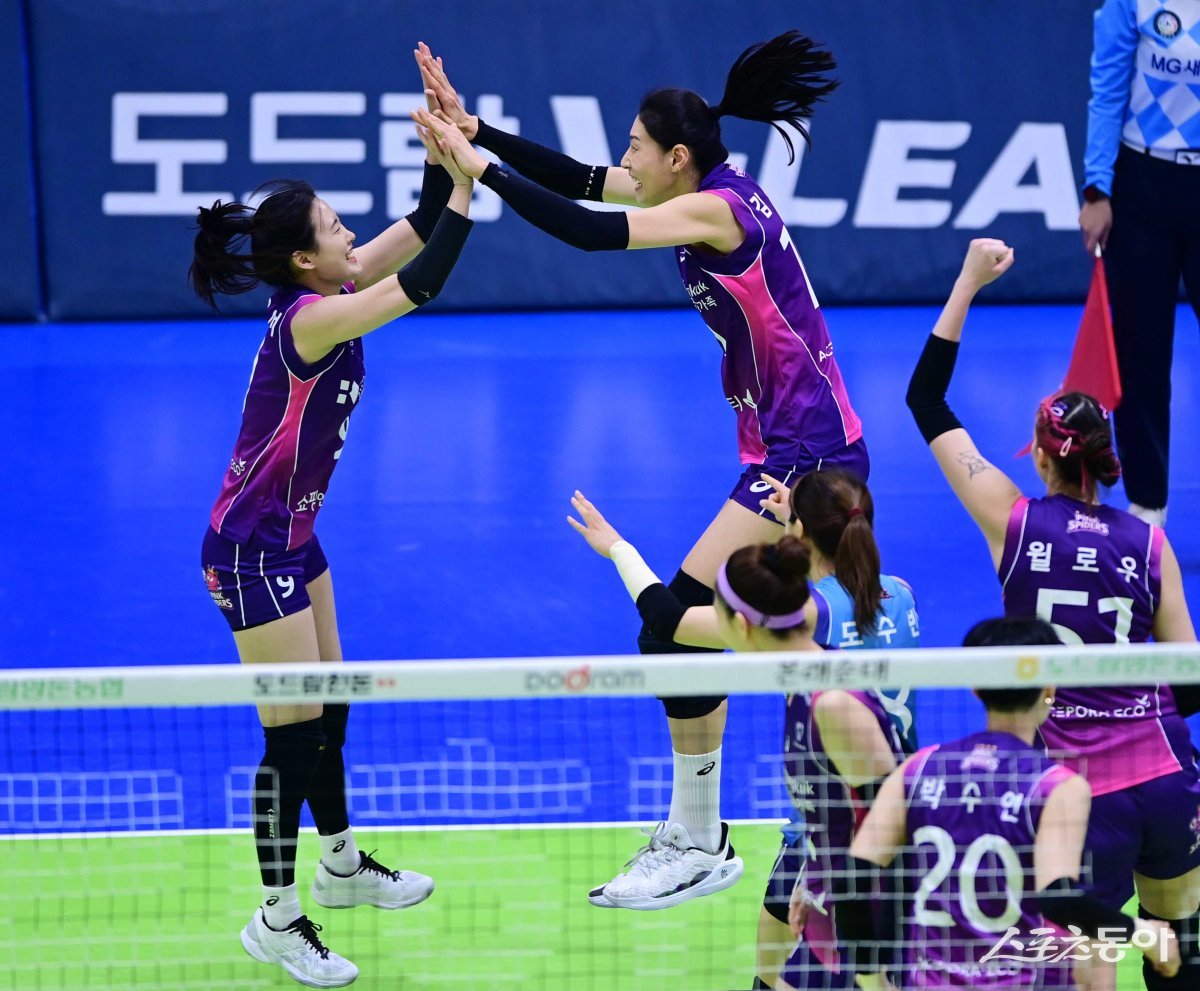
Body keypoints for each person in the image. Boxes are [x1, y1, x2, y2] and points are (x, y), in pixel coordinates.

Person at [416, 33, 867, 906]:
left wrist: (479, 171)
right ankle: (703, 832)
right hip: (790, 446)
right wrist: (482, 133)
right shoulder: (697, 187)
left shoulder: (717, 212)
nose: (624, 160)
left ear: (677, 158)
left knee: (683, 628)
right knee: (688, 632)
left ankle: (714, 835)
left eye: (635, 146)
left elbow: (590, 232)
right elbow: (585, 182)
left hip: (810, 458)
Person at [191, 119, 474, 987]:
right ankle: (276, 919)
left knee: (331, 706)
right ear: (304, 261)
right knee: (292, 740)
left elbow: (418, 227)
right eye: (335, 226)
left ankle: (342, 866)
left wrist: (442, 147)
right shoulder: (313, 321)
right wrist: (470, 192)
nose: (352, 233)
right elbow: (421, 281)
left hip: (295, 540)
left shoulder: (334, 283)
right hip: (250, 552)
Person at [905, 238, 1200, 989]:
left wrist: (968, 282)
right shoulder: (1151, 544)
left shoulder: (1012, 521)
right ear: (1103, 457)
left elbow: (926, 400)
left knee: (1085, 963)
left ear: (1040, 458)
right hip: (1166, 776)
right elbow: (1190, 683)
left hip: (1078, 794)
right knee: (1178, 944)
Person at [570, 468, 918, 983]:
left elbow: (669, 625)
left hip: (849, 842)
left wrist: (618, 548)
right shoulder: (902, 595)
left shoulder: (809, 617)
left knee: (830, 977)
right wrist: (799, 516)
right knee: (772, 972)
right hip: (850, 824)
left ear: (799, 534)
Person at [839, 616, 1180, 990]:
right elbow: (1059, 900)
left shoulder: (916, 769)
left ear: (975, 688)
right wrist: (1144, 933)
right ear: (1050, 687)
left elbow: (854, 874)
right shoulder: (1057, 787)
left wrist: (871, 978)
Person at [1078, 0, 1200, 529]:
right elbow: (1107, 90)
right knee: (1140, 353)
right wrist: (1097, 189)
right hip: (1142, 188)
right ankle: (1148, 504)